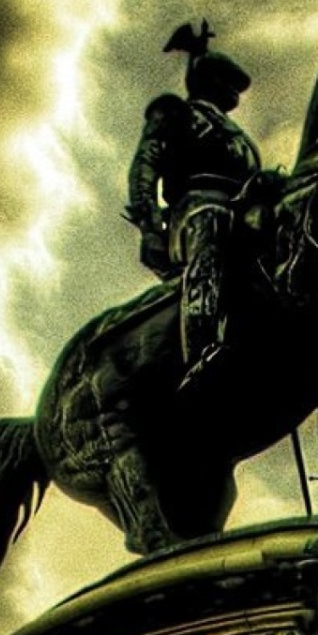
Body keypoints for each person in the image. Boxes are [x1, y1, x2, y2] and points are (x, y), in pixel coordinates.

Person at [125, 19, 263, 385]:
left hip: (241, 217)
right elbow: (145, 164)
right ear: (208, 81)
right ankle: (203, 352)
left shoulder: (242, 139)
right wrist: (149, 221)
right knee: (213, 223)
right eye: (227, 83)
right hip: (193, 215)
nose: (233, 93)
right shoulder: (176, 113)